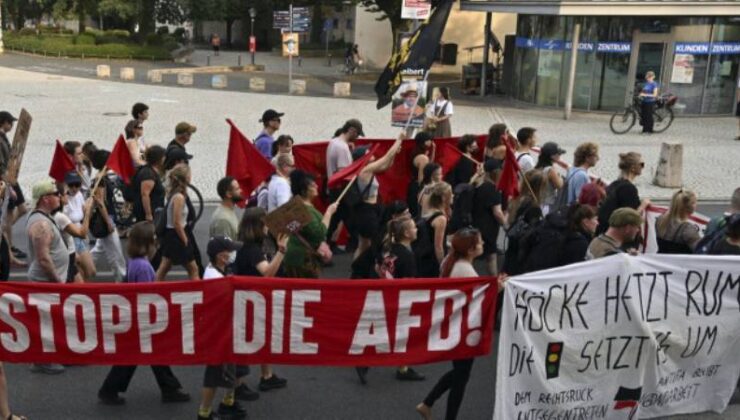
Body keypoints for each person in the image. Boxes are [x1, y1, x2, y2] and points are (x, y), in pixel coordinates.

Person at [99, 221, 190, 405]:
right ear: (147, 243)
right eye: (154, 239)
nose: (156, 242)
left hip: (138, 319)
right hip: (144, 319)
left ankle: (111, 389)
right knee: (150, 354)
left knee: (137, 356)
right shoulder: (142, 266)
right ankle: (168, 389)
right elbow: (147, 296)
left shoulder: (136, 262)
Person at [416, 227, 485, 420]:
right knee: (461, 376)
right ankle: (437, 410)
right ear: (471, 249)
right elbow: (478, 298)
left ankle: (427, 403)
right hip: (463, 327)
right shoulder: (465, 269)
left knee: (460, 373)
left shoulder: (451, 260)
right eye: (480, 242)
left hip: (455, 325)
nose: (483, 244)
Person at [356, 216, 425, 383]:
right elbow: (409, 283)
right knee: (399, 333)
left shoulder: (389, 248)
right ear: (407, 234)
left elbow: (378, 267)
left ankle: (402, 366)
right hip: (397, 299)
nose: (417, 230)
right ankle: (367, 361)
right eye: (414, 228)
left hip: (383, 293)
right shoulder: (407, 256)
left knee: (391, 332)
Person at [234, 208, 291, 392]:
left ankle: (266, 374)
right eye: (265, 223)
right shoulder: (251, 249)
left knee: (261, 336)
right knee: (248, 338)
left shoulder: (250, 245)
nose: (268, 226)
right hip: (250, 299)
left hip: (253, 298)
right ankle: (239, 384)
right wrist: (281, 251)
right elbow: (267, 273)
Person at [198, 236, 250, 420]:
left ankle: (228, 402)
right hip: (218, 335)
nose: (232, 253)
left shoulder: (215, 270)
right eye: (230, 250)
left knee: (234, 367)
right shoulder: (216, 279)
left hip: (227, 331)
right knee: (214, 374)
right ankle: (204, 413)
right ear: (221, 256)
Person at [26, 179, 68, 374]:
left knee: (50, 320)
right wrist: (57, 281)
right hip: (45, 282)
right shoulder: (41, 223)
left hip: (48, 281)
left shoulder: (44, 218)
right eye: (55, 194)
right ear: (45, 199)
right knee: (45, 321)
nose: (59, 196)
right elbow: (43, 258)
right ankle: (42, 360)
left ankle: (48, 357)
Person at [352, 134, 403, 260]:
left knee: (364, 244)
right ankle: (359, 270)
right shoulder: (365, 170)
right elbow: (385, 159)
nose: (371, 152)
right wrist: (399, 140)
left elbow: (386, 165)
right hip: (366, 211)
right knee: (366, 244)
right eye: (368, 151)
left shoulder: (368, 169)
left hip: (370, 208)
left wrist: (394, 153)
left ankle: (358, 271)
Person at [282, 170, 338, 278]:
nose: (316, 186)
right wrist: (329, 213)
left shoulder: (294, 205)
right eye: (312, 185)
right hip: (302, 259)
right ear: (304, 190)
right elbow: (319, 233)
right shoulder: (304, 210)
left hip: (294, 255)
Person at [156, 164, 200, 280]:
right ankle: (198, 293)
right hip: (177, 236)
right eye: (189, 174)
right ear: (185, 178)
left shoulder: (175, 194)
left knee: (164, 267)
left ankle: (155, 289)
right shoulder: (179, 197)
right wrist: (185, 240)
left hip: (171, 235)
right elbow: (177, 222)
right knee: (193, 269)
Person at [326, 119, 364, 251]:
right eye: (357, 134)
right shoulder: (342, 148)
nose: (358, 137)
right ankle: (355, 246)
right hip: (341, 189)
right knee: (351, 219)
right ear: (352, 130)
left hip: (334, 188)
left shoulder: (334, 142)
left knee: (334, 220)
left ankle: (327, 245)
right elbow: (343, 172)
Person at [88, 165, 128, 282]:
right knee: (115, 253)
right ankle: (120, 278)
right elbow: (100, 203)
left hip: (110, 218)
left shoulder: (102, 179)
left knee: (98, 249)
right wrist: (109, 222)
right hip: (107, 219)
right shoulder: (100, 181)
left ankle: (84, 263)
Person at [596, 152, 651, 236]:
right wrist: (643, 205)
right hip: (616, 235)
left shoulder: (615, 184)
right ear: (633, 168)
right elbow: (630, 217)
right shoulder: (628, 188)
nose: (643, 167)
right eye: (642, 164)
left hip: (604, 230)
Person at [1, 111, 28, 262]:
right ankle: (9, 246)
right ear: (4, 122)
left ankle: (4, 237)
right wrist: (8, 186)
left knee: (22, 209)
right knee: (9, 212)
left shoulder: (3, 137)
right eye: (10, 122)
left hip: (11, 177)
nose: (11, 125)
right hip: (5, 179)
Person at [473, 159, 507, 275]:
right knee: (491, 256)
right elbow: (497, 212)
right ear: (496, 172)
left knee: (481, 255)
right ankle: (494, 280)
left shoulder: (479, 185)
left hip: (477, 224)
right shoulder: (493, 189)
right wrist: (506, 225)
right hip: (488, 228)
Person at [55, 180, 93, 283]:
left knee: (90, 271)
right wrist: (87, 213)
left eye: (77, 185)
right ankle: (82, 295)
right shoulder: (60, 214)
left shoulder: (79, 195)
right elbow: (81, 233)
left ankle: (83, 293)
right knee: (80, 276)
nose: (74, 188)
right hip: (72, 242)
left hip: (78, 239)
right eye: (71, 185)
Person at [415, 182, 452, 278]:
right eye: (450, 193)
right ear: (444, 197)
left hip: (423, 257)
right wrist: (443, 266)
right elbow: (438, 247)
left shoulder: (429, 211)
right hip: (432, 260)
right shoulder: (441, 219)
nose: (452, 195)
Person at [655, 189, 701, 254]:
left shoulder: (660, 220)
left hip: (661, 261)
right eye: (695, 202)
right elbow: (699, 251)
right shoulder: (687, 229)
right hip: (679, 263)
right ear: (691, 207)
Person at [133, 145, 166, 223]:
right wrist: (148, 214)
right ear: (159, 158)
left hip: (154, 209)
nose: (165, 159)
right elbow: (145, 194)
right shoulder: (148, 174)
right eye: (163, 157)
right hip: (147, 212)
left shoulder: (151, 170)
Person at [408, 132, 435, 218]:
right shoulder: (423, 157)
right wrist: (423, 191)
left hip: (415, 185)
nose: (431, 142)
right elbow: (422, 177)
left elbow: (429, 165)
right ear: (423, 141)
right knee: (418, 213)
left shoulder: (418, 153)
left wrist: (434, 150)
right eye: (429, 140)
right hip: (418, 187)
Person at [535, 142, 565, 215]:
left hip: (538, 202)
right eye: (558, 154)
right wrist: (560, 176)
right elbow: (560, 185)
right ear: (552, 156)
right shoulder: (550, 170)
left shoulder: (538, 167)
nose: (560, 156)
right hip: (547, 204)